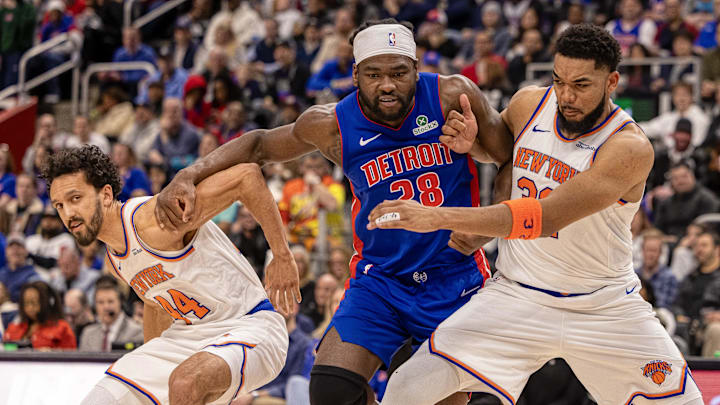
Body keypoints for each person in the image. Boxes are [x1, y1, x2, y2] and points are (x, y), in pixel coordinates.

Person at [155, 18, 510, 405]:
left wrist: (485, 215)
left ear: (417, 66)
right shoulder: (331, 124)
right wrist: (188, 174)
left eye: (398, 72)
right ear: (355, 74)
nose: (387, 84)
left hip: (452, 276)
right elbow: (258, 145)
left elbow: (509, 156)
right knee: (329, 390)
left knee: (427, 396)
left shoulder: (451, 96)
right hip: (382, 278)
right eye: (374, 74)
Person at [372, 24, 703, 404]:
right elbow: (506, 154)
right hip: (518, 294)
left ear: (612, 82)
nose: (566, 95)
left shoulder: (628, 148)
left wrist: (437, 216)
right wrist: (472, 144)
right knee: (405, 388)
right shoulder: (530, 102)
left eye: (581, 84)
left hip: (602, 307)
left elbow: (541, 219)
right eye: (559, 80)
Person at [44, 145, 298, 405]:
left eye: (75, 199)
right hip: (187, 338)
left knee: (185, 383)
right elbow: (156, 305)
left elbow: (246, 176)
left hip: (250, 325)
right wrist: (152, 361)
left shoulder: (154, 218)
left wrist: (281, 255)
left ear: (106, 195)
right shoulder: (113, 261)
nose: (68, 214)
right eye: (59, 205)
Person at [4, 280, 76, 349]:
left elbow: (70, 358)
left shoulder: (62, 328)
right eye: (26, 303)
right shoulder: (14, 328)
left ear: (49, 303)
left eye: (34, 303)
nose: (29, 308)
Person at [79, 278, 143, 351]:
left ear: (121, 302)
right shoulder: (88, 333)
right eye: (100, 302)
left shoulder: (136, 331)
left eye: (110, 301)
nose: (106, 307)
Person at [0, 234, 41, 303]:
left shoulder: (32, 275)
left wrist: (7, 295)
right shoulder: (2, 272)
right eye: (11, 247)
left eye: (19, 247)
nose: (15, 250)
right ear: (6, 252)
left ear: (26, 251)